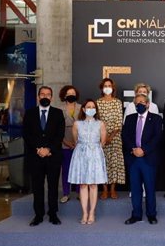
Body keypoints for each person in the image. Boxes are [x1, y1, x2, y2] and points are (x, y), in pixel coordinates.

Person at [23, 86, 65, 226]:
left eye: (48, 94)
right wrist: (38, 149)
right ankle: (38, 215)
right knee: (37, 187)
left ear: (51, 97)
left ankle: (53, 214)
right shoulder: (29, 113)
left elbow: (60, 135)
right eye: (42, 94)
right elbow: (26, 134)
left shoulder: (58, 113)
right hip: (35, 157)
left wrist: (48, 149)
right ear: (38, 97)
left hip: (53, 156)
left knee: (53, 187)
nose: (45, 96)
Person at [122, 94, 163, 225]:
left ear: (147, 104)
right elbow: (125, 136)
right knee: (135, 189)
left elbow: (157, 137)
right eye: (136, 102)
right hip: (133, 158)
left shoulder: (156, 119)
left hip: (148, 158)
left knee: (150, 188)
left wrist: (144, 150)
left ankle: (151, 215)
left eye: (142, 102)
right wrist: (133, 149)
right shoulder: (129, 118)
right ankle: (136, 215)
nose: (139, 104)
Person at [68, 99, 107, 224]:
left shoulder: (100, 124)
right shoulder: (77, 124)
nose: (90, 108)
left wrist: (94, 148)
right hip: (81, 154)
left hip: (95, 153)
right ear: (83, 109)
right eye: (88, 107)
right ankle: (84, 213)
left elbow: (103, 141)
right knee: (83, 184)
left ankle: (92, 213)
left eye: (93, 106)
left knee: (93, 185)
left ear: (96, 109)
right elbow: (75, 140)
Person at [96, 78, 125, 200]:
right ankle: (104, 189)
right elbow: (96, 121)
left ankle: (113, 189)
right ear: (102, 88)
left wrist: (111, 136)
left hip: (115, 138)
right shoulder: (97, 102)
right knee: (102, 163)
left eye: (109, 85)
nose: (107, 87)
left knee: (114, 163)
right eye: (105, 85)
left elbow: (119, 121)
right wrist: (103, 136)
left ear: (113, 88)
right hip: (100, 138)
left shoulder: (117, 102)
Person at [58, 85, 81, 203]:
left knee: (79, 168)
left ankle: (79, 192)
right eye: (69, 93)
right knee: (66, 168)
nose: (71, 95)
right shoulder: (59, 109)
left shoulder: (81, 108)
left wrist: (78, 143)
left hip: (80, 142)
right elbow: (57, 129)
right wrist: (66, 143)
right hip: (64, 142)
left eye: (73, 93)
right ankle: (66, 193)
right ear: (64, 95)